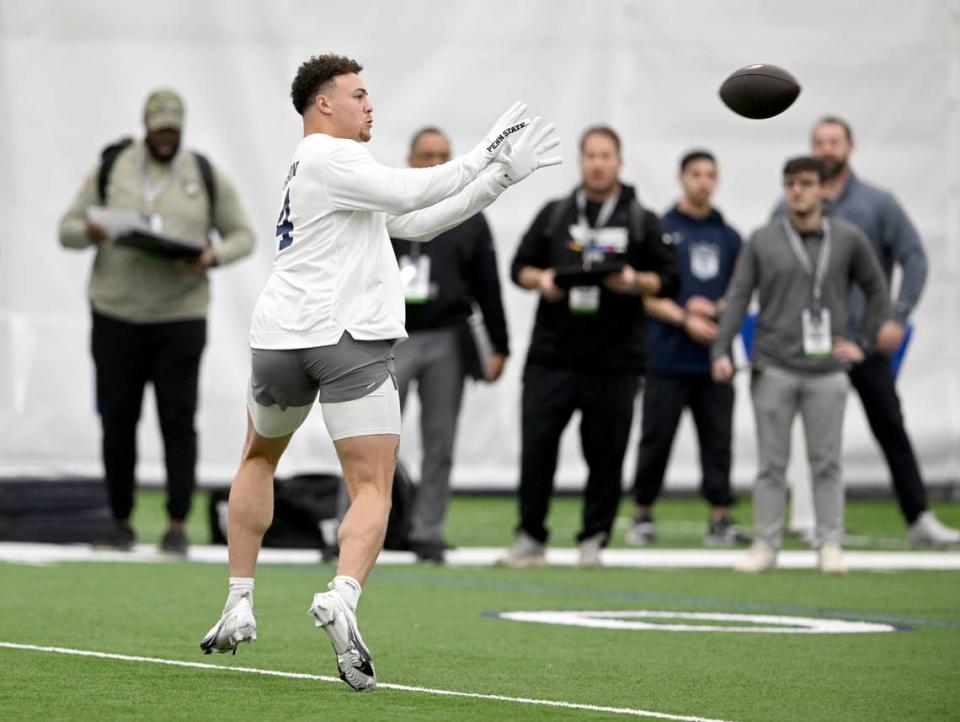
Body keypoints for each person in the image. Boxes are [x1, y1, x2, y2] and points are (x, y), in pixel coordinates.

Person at [198, 54, 560, 691]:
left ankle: (238, 598)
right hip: (345, 339)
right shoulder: (332, 158)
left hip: (279, 340)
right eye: (358, 95)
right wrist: (487, 153)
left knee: (256, 460)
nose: (370, 106)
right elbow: (414, 191)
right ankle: (341, 595)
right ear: (323, 105)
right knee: (372, 486)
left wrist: (497, 181)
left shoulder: (312, 169)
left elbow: (416, 222)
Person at [59, 89, 255, 556]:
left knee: (178, 419)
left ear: (181, 128)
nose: (165, 136)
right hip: (116, 314)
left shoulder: (203, 174)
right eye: (159, 128)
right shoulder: (113, 167)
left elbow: (243, 235)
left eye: (173, 129)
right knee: (118, 419)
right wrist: (92, 230)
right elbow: (65, 230)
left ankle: (176, 525)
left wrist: (212, 256)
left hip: (179, 316)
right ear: (146, 126)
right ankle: (121, 521)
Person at [501, 125, 679, 569]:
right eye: (591, 155)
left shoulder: (641, 219)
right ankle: (530, 536)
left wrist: (636, 281)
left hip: (615, 359)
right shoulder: (556, 213)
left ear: (619, 162)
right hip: (552, 355)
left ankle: (594, 538)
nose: (598, 163)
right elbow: (519, 267)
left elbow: (670, 278)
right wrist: (541, 280)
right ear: (581, 161)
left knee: (606, 452)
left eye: (606, 155)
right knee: (537, 447)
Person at [714, 157, 888, 574]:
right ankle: (765, 543)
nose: (798, 191)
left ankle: (830, 542)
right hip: (773, 365)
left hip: (827, 369)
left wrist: (863, 343)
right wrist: (722, 349)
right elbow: (739, 296)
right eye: (790, 183)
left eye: (807, 183)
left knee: (826, 461)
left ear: (823, 190)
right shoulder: (763, 239)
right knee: (770, 464)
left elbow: (876, 287)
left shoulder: (847, 238)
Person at [806, 116, 958, 545]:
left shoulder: (877, 203)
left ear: (850, 146)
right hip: (815, 345)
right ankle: (820, 524)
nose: (826, 150)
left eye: (834, 142)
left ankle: (919, 517)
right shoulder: (797, 202)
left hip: (866, 343)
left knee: (891, 427)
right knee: (817, 439)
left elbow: (915, 258)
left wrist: (898, 316)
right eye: (819, 142)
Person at [390, 127, 510, 564]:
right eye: (425, 155)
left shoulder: (469, 215)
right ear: (409, 159)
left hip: (447, 339)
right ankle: (355, 527)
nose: (434, 162)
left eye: (442, 154)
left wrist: (500, 345)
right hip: (391, 337)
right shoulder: (389, 206)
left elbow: (488, 285)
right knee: (372, 441)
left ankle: (427, 530)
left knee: (439, 443)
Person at [626, 150, 749, 548]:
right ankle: (642, 512)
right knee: (656, 436)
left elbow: (742, 290)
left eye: (710, 175)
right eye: (695, 174)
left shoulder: (728, 236)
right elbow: (643, 295)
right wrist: (684, 316)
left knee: (718, 438)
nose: (702, 182)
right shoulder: (661, 229)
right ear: (681, 178)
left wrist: (717, 309)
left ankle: (720, 516)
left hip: (714, 360)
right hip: (666, 355)